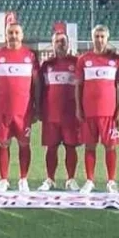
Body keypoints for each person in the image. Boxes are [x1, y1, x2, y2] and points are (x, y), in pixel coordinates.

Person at [0, 23, 38, 193]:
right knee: (3, 144)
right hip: (3, 110)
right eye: (10, 33)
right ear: (6, 35)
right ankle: (4, 180)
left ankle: (23, 179)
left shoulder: (30, 56)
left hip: (24, 111)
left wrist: (36, 106)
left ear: (22, 35)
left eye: (16, 32)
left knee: (24, 144)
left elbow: (36, 83)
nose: (13, 36)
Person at [76, 24, 119, 194]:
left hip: (109, 112)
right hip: (89, 111)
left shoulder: (116, 60)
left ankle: (111, 181)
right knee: (89, 146)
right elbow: (79, 86)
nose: (99, 40)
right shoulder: (83, 60)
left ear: (107, 38)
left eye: (102, 37)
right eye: (96, 36)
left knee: (110, 146)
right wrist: (78, 108)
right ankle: (90, 181)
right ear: (92, 38)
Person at [38, 30, 81, 191]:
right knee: (51, 147)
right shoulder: (46, 65)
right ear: (53, 44)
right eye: (57, 41)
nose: (60, 44)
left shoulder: (76, 62)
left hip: (71, 114)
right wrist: (39, 108)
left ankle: (71, 179)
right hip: (51, 114)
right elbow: (40, 88)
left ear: (68, 44)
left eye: (63, 41)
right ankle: (50, 179)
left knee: (71, 147)